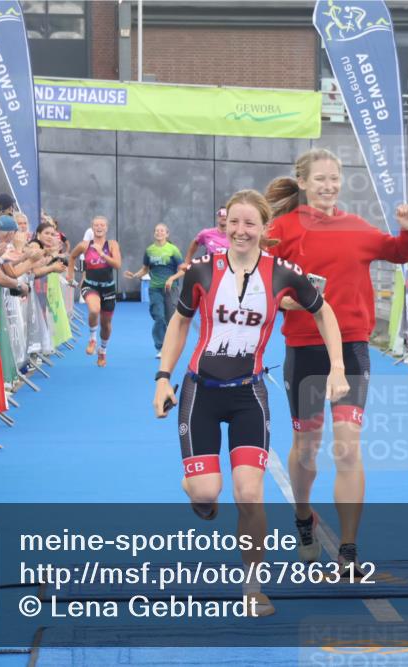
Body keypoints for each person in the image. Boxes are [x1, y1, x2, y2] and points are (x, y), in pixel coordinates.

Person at [153, 189, 349, 618]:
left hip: (249, 395)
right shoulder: (202, 271)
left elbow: (324, 311)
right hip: (200, 392)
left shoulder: (283, 273)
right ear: (224, 227)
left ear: (263, 229)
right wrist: (162, 379)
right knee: (207, 492)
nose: (241, 231)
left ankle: (253, 587)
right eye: (234, 223)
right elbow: (180, 322)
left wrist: (336, 366)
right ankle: (196, 488)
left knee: (249, 494)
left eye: (250, 223)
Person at [264, 148, 408, 575]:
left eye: (335, 178)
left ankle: (349, 548)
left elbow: (398, 251)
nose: (329, 186)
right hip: (304, 349)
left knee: (348, 447)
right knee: (307, 449)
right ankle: (303, 516)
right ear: (302, 182)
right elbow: (259, 278)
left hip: (351, 348)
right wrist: (284, 302)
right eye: (320, 179)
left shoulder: (357, 227)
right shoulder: (282, 229)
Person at [67, 216, 121, 367]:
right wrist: (70, 275)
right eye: (96, 225)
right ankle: (92, 339)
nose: (99, 227)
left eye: (102, 225)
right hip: (90, 285)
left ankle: (102, 351)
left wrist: (102, 254)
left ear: (106, 228)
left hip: (108, 288)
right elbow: (72, 256)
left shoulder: (112, 245)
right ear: (92, 227)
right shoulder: (85, 245)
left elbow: (117, 265)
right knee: (94, 309)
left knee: (106, 324)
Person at [124, 224, 183, 358]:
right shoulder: (150, 250)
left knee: (171, 320)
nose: (159, 232)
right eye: (157, 230)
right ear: (154, 233)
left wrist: (171, 279)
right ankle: (161, 347)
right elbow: (145, 269)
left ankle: (172, 346)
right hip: (155, 288)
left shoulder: (173, 250)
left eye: (162, 231)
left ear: (167, 234)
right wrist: (134, 275)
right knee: (159, 317)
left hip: (171, 289)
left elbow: (182, 269)